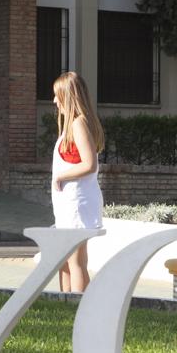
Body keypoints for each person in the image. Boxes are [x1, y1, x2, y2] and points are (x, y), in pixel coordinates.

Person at [50, 72, 105, 292]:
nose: (54, 101)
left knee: (75, 262)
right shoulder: (75, 124)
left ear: (68, 96)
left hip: (76, 204)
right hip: (70, 204)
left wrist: (61, 176)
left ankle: (81, 309)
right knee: (65, 261)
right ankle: (66, 307)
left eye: (57, 96)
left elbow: (90, 164)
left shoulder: (78, 124)